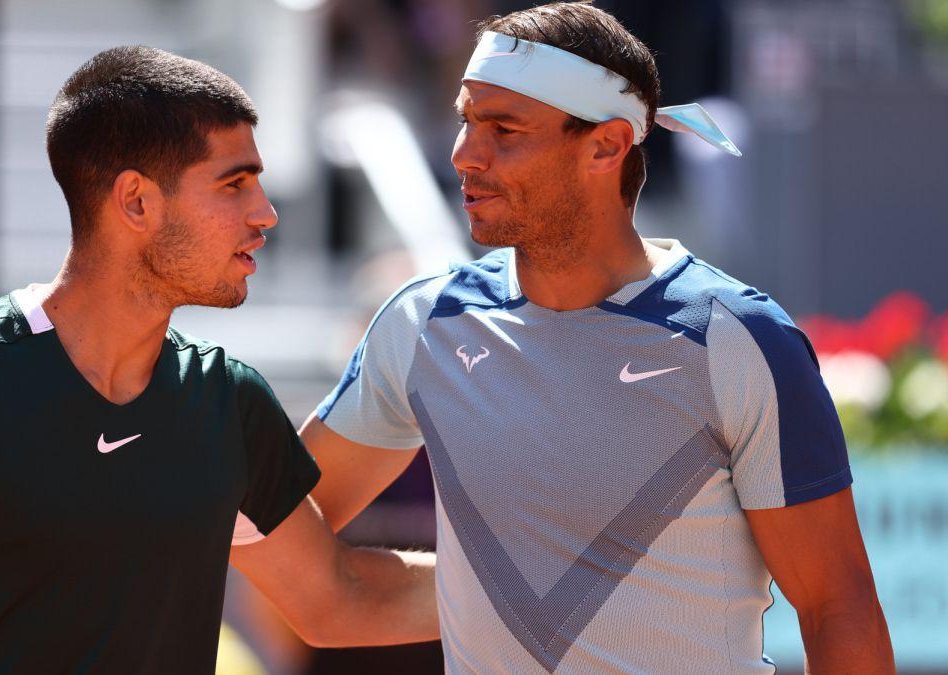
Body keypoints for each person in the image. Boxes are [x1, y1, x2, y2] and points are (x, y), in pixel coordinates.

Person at [0, 46, 437, 674]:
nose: (266, 213)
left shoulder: (229, 406)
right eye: (235, 184)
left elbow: (337, 597)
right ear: (136, 200)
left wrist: (538, 581)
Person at [300, 3, 894, 673]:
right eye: (468, 121)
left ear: (607, 146)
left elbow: (836, 609)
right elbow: (285, 530)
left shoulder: (739, 338)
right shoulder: (420, 323)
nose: (465, 154)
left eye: (504, 129)